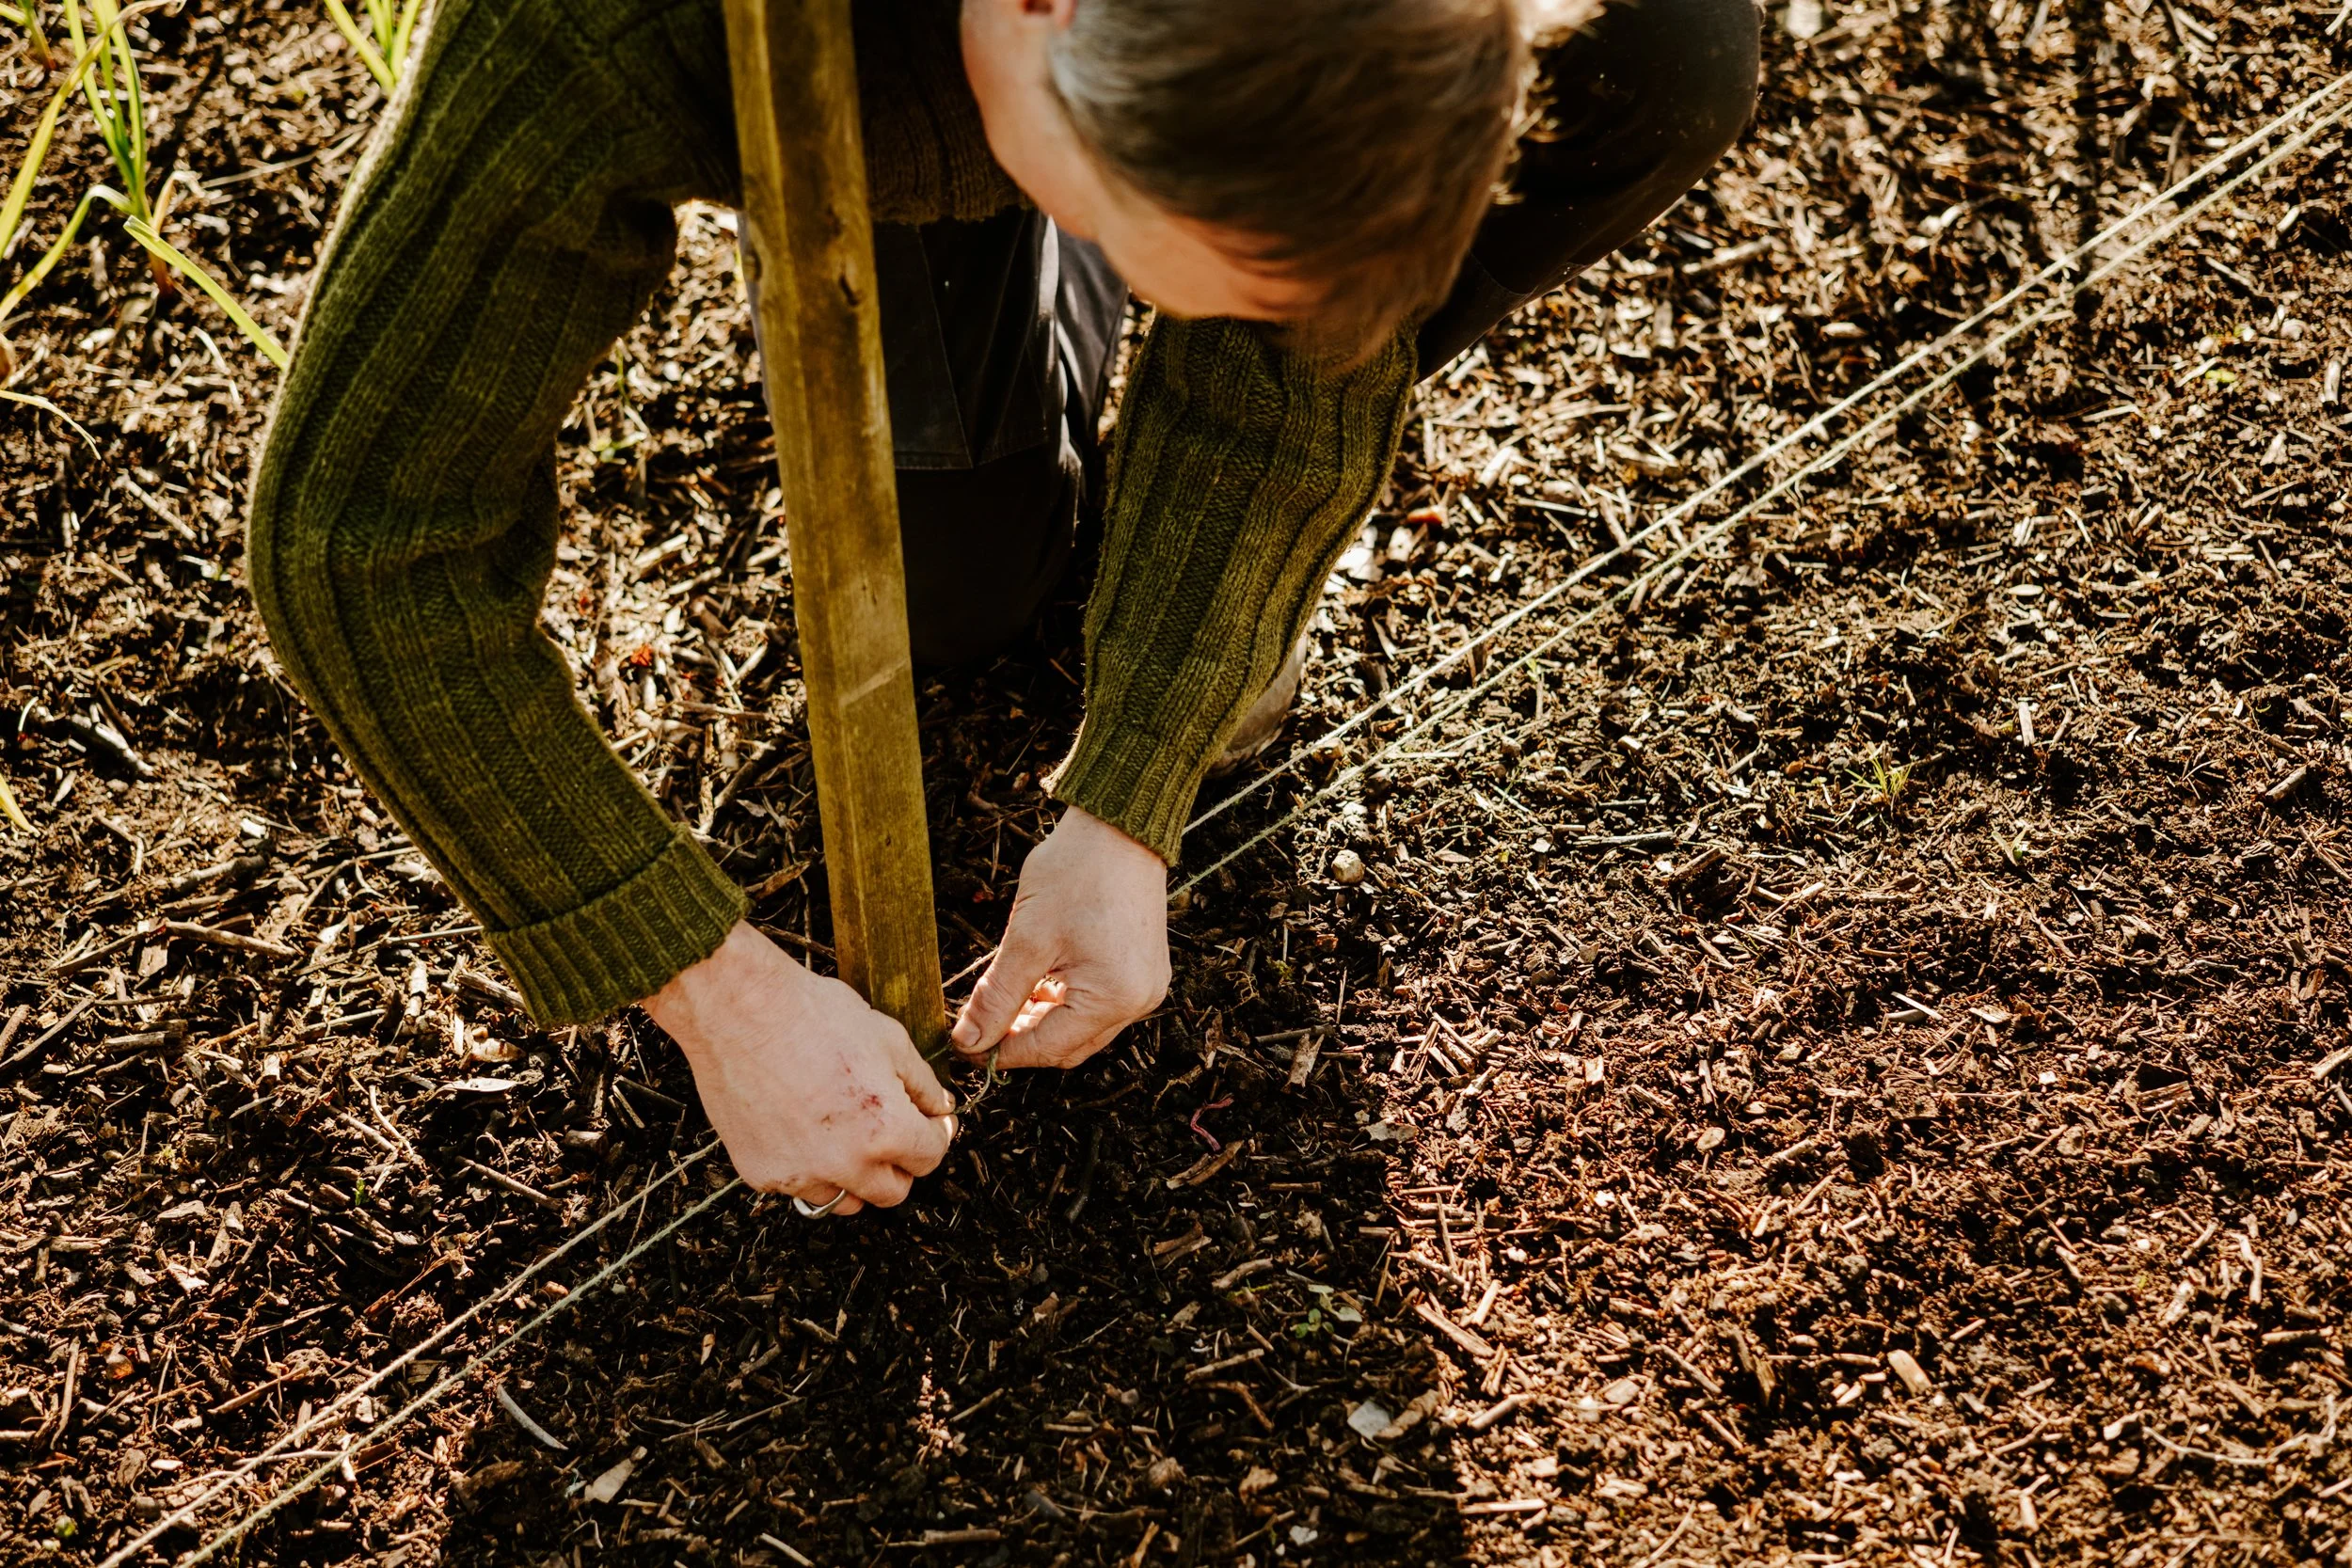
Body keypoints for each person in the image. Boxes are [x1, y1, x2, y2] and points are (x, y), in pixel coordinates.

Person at [247, 0, 1757, 1215]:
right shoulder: (602, 34)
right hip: (866, 67)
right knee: (957, 593)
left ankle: (1123, 284)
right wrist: (716, 992)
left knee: (1673, 49)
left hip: (1025, 80)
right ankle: (1040, 246)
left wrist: (1135, 791)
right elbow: (359, 541)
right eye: (1153, 234)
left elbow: (1313, 281)